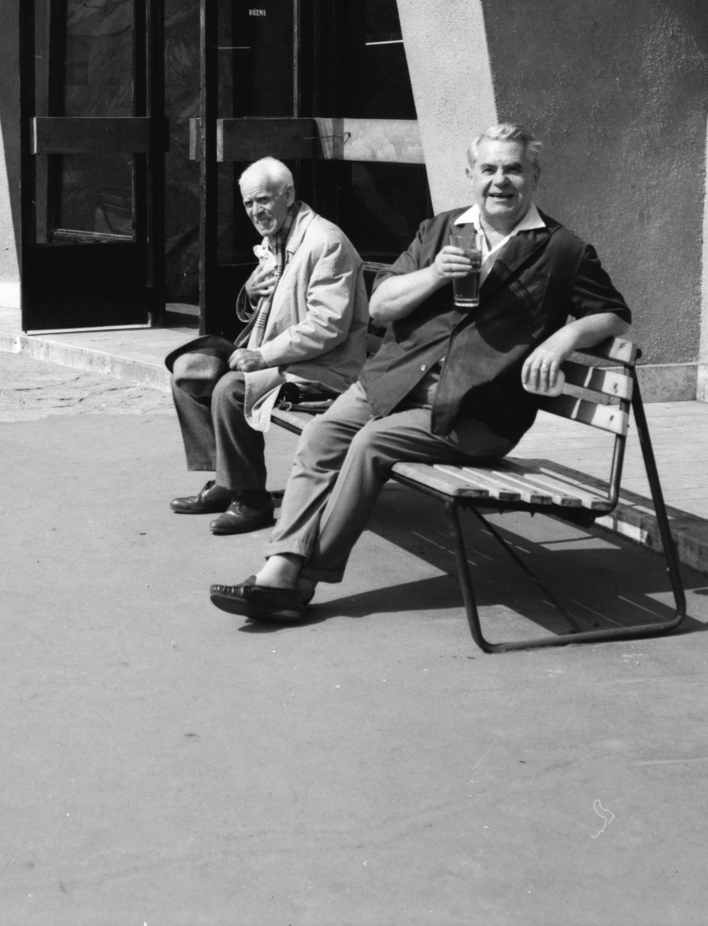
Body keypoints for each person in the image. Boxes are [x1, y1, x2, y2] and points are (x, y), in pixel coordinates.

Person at [209, 124, 631, 623]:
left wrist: (564, 338)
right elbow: (382, 305)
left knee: (371, 445)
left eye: (513, 169)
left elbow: (615, 314)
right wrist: (433, 274)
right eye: (490, 169)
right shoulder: (440, 230)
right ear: (471, 174)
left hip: (474, 412)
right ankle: (283, 568)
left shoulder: (563, 250)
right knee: (323, 435)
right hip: (393, 381)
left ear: (534, 175)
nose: (501, 181)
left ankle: (292, 579)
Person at [167, 157, 369, 535]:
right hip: (280, 357)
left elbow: (328, 327)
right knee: (190, 369)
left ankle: (252, 498)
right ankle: (228, 480)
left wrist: (261, 355)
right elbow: (268, 312)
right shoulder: (277, 238)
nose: (256, 212)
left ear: (288, 195)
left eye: (263, 200)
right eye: (248, 204)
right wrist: (250, 292)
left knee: (230, 389)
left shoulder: (325, 242)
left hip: (323, 367)